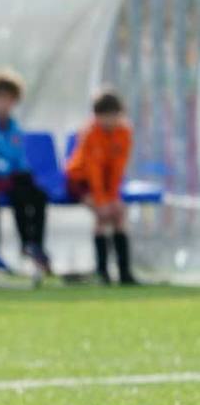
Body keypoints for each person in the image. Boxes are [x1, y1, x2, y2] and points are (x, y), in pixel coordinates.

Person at [0, 70, 52, 274]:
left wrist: (19, 170)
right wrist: (7, 169)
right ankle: (25, 243)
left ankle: (35, 244)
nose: (4, 104)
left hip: (13, 180)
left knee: (39, 196)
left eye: (8, 99)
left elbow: (19, 157)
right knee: (20, 194)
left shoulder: (14, 128)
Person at [67, 91, 137, 285]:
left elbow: (118, 168)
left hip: (107, 181)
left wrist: (113, 197)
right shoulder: (90, 134)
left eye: (114, 115)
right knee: (102, 215)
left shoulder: (124, 133)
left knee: (119, 214)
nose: (109, 120)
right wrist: (101, 201)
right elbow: (93, 171)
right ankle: (102, 272)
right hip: (82, 180)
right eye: (104, 116)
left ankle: (124, 272)